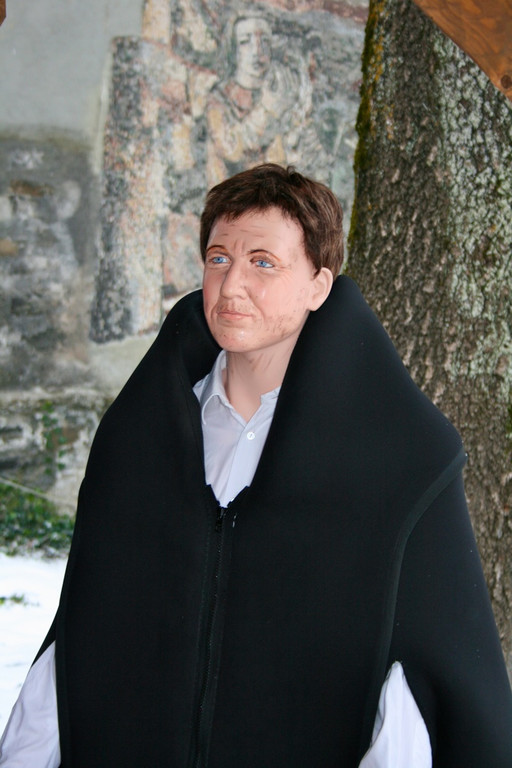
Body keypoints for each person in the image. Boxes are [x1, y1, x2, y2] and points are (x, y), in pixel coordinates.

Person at [1, 164, 511, 767]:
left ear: (318, 286)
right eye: (218, 259)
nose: (231, 284)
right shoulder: (139, 439)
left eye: (263, 262)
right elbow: (82, 632)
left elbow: (417, 689)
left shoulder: (398, 460)